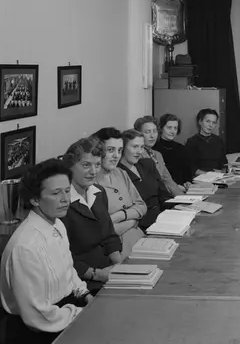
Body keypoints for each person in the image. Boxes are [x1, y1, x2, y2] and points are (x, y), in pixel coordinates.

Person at [0, 159, 93, 344]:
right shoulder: (25, 247)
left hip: (66, 310)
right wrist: (80, 314)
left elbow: (68, 270)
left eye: (67, 191)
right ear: (35, 199)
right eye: (56, 193)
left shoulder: (57, 224)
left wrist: (85, 295)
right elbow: (37, 317)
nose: (65, 199)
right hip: (38, 331)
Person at [60, 138, 123, 294]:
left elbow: (109, 236)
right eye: (86, 165)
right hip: (80, 280)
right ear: (70, 167)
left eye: (97, 165)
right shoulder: (61, 203)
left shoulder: (99, 192)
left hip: (106, 270)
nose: (93, 171)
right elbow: (62, 257)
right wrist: (97, 274)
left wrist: (121, 267)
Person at [92, 127, 147, 258]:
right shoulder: (90, 181)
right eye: (110, 150)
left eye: (120, 150)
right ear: (98, 151)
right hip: (114, 251)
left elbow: (141, 206)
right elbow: (99, 231)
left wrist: (120, 216)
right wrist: (131, 221)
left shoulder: (121, 173)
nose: (116, 156)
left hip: (139, 239)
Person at [119, 129, 172, 230]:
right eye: (135, 147)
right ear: (123, 148)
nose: (139, 151)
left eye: (142, 147)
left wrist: (176, 210)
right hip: (140, 225)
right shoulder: (118, 173)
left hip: (163, 218)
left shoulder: (148, 164)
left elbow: (164, 194)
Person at [134, 116, 185, 195]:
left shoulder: (157, 155)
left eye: (154, 131)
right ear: (138, 134)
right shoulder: (136, 156)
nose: (152, 136)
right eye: (147, 132)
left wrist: (183, 198)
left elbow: (169, 181)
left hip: (164, 196)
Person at [154, 113, 194, 185]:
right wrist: (175, 187)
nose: (173, 131)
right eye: (169, 128)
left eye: (175, 128)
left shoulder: (182, 148)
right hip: (164, 188)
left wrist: (188, 182)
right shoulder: (154, 149)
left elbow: (187, 171)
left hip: (183, 188)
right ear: (161, 128)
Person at [184, 108, 227, 173]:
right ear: (200, 122)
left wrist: (223, 171)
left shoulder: (219, 140)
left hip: (219, 175)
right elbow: (191, 167)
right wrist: (209, 174)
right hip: (201, 176)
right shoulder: (192, 142)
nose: (210, 125)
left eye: (214, 122)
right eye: (208, 121)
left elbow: (224, 163)